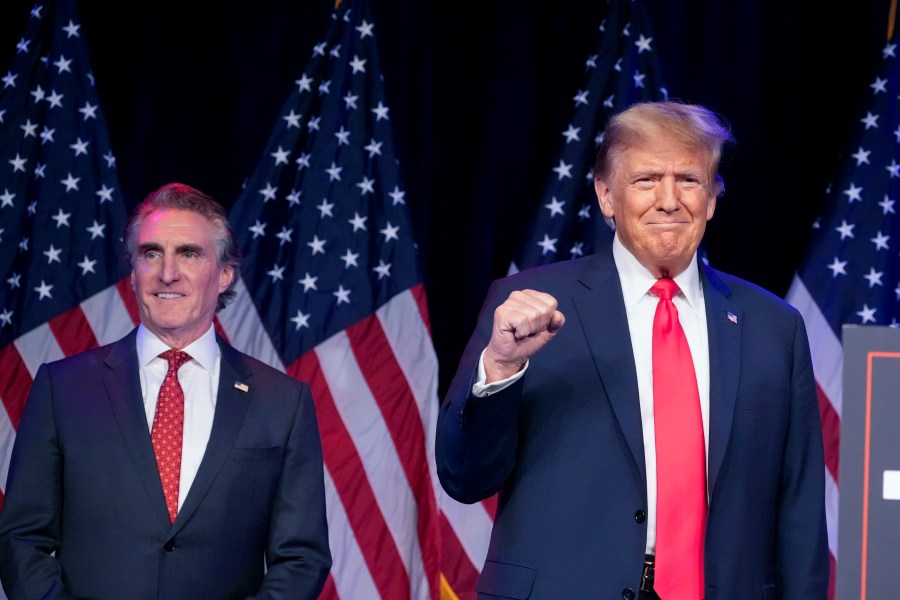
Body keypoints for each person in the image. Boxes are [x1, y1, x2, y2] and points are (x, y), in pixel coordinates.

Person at [436, 101, 829, 599]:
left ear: (712, 198)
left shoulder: (774, 327)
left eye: (688, 180)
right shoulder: (528, 308)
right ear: (606, 195)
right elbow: (464, 479)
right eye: (646, 180)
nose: (669, 200)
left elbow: (799, 511)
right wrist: (501, 364)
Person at [0, 183, 332, 599]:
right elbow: (21, 539)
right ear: (133, 271)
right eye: (151, 253)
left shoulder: (283, 401)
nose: (167, 273)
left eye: (189, 254)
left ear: (224, 274)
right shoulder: (61, 388)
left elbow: (301, 558)